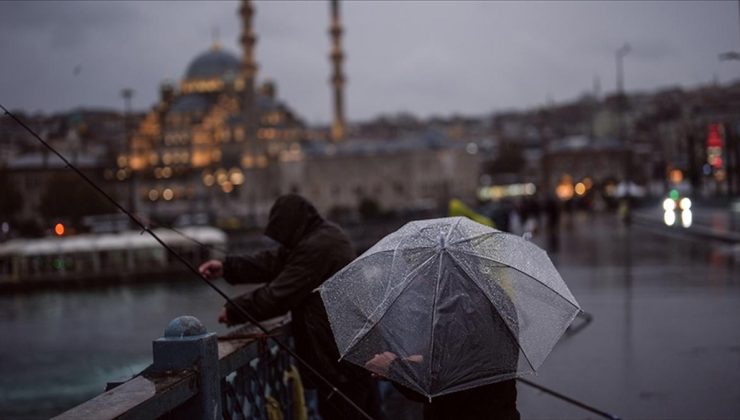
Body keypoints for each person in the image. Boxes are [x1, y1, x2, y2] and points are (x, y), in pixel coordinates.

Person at [199, 194, 380, 420]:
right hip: (350, 354)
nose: (281, 242)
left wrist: (234, 310)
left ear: (291, 225)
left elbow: (281, 294)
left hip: (339, 362)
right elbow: (275, 262)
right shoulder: (321, 236)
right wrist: (228, 268)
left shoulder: (319, 245)